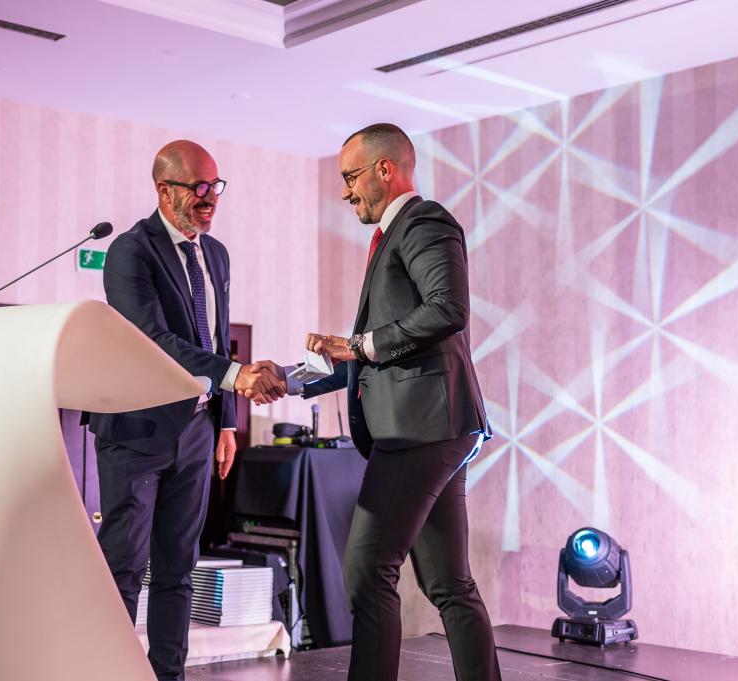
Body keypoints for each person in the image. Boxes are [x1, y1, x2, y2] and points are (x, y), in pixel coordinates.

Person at [265, 123, 501, 681]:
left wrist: (358, 344)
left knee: (368, 571)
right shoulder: (391, 239)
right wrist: (290, 379)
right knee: (449, 584)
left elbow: (447, 309)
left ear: (385, 169)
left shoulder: (424, 222)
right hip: (436, 428)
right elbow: (371, 354)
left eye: (351, 177)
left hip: (421, 429)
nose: (346, 192)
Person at [82, 140, 284, 681]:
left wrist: (226, 421)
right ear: (164, 190)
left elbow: (215, 338)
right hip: (138, 429)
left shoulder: (215, 254)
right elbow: (154, 338)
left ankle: (167, 675)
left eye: (215, 186)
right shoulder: (130, 252)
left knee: (178, 567)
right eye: (198, 187)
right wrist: (236, 376)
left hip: (197, 429)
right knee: (125, 564)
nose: (210, 197)